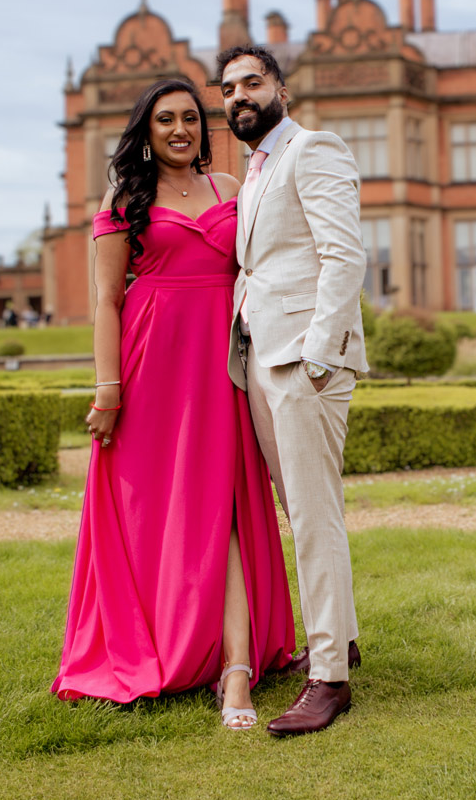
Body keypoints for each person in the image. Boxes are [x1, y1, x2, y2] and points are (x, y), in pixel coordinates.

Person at [52, 77, 295, 729]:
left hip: (223, 364)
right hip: (152, 362)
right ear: (147, 129)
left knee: (233, 509)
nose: (181, 128)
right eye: (166, 119)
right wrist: (108, 389)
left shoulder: (232, 191)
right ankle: (174, 642)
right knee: (159, 510)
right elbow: (105, 297)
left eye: (191, 117)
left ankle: (236, 671)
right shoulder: (125, 197)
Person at [219, 44, 368, 737]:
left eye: (252, 82)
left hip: (303, 363)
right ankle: (343, 636)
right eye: (228, 88)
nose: (239, 96)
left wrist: (316, 358)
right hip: (261, 358)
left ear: (282, 87)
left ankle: (329, 678)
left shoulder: (313, 149)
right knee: (306, 507)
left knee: (313, 515)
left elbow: (345, 256)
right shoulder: (255, 169)